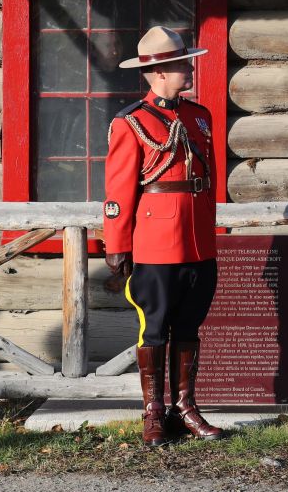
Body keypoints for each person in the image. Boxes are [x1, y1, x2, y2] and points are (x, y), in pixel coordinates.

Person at [103, 26, 224, 446]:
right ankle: (154, 412)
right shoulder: (131, 122)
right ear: (157, 73)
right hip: (154, 243)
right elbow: (118, 191)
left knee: (190, 325)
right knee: (154, 329)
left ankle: (185, 408)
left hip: (198, 242)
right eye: (180, 63)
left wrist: (210, 234)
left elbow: (206, 182)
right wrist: (117, 244)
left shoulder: (198, 116)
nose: (188, 67)